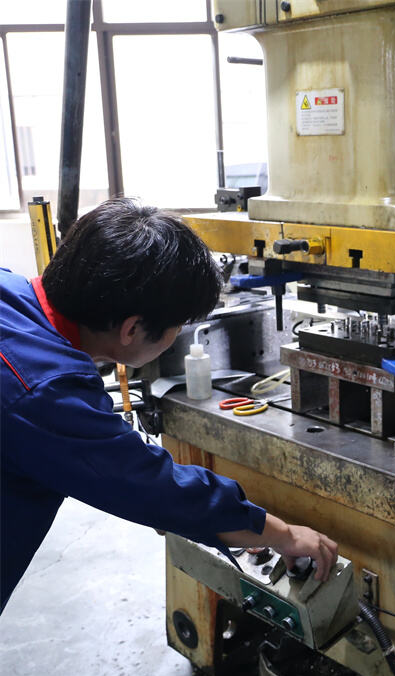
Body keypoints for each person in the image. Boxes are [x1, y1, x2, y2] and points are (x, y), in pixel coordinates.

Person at [0, 197, 338, 612]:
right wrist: (283, 535)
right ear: (132, 329)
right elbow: (151, 488)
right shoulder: (43, 392)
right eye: (177, 327)